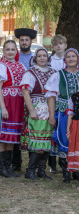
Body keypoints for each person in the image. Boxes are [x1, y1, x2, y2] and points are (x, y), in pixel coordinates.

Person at [0, 40, 26, 178]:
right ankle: (1, 168)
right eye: (8, 49)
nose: (10, 52)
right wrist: (3, 107)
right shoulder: (1, 66)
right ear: (3, 51)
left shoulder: (21, 65)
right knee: (1, 136)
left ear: (16, 51)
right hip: (5, 101)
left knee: (11, 135)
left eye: (13, 49)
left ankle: (8, 166)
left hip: (17, 102)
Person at [19, 48, 57, 180]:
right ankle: (30, 171)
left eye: (44, 56)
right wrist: (31, 110)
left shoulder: (53, 72)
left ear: (48, 58)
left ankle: (41, 170)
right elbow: (25, 92)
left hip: (49, 108)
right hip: (37, 108)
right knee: (37, 140)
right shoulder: (30, 72)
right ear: (35, 58)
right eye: (39, 56)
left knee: (46, 140)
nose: (42, 58)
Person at [50, 48, 79, 183]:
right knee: (65, 139)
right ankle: (65, 170)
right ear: (64, 60)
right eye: (69, 57)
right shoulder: (58, 75)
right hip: (64, 112)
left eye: (74, 56)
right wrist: (51, 115)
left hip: (78, 113)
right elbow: (51, 96)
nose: (71, 59)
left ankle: (76, 169)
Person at [12, 27, 38, 171]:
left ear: (30, 41)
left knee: (31, 128)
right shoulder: (13, 57)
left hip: (31, 97)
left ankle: (32, 164)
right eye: (21, 40)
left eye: (26, 40)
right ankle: (16, 162)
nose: (24, 42)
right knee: (16, 127)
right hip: (16, 97)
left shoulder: (36, 57)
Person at [48, 35, 67, 173]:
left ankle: (63, 161)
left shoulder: (71, 59)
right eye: (56, 44)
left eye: (61, 44)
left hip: (66, 101)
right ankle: (51, 164)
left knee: (64, 130)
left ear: (65, 45)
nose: (59, 46)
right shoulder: (50, 61)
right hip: (53, 97)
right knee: (51, 130)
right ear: (53, 46)